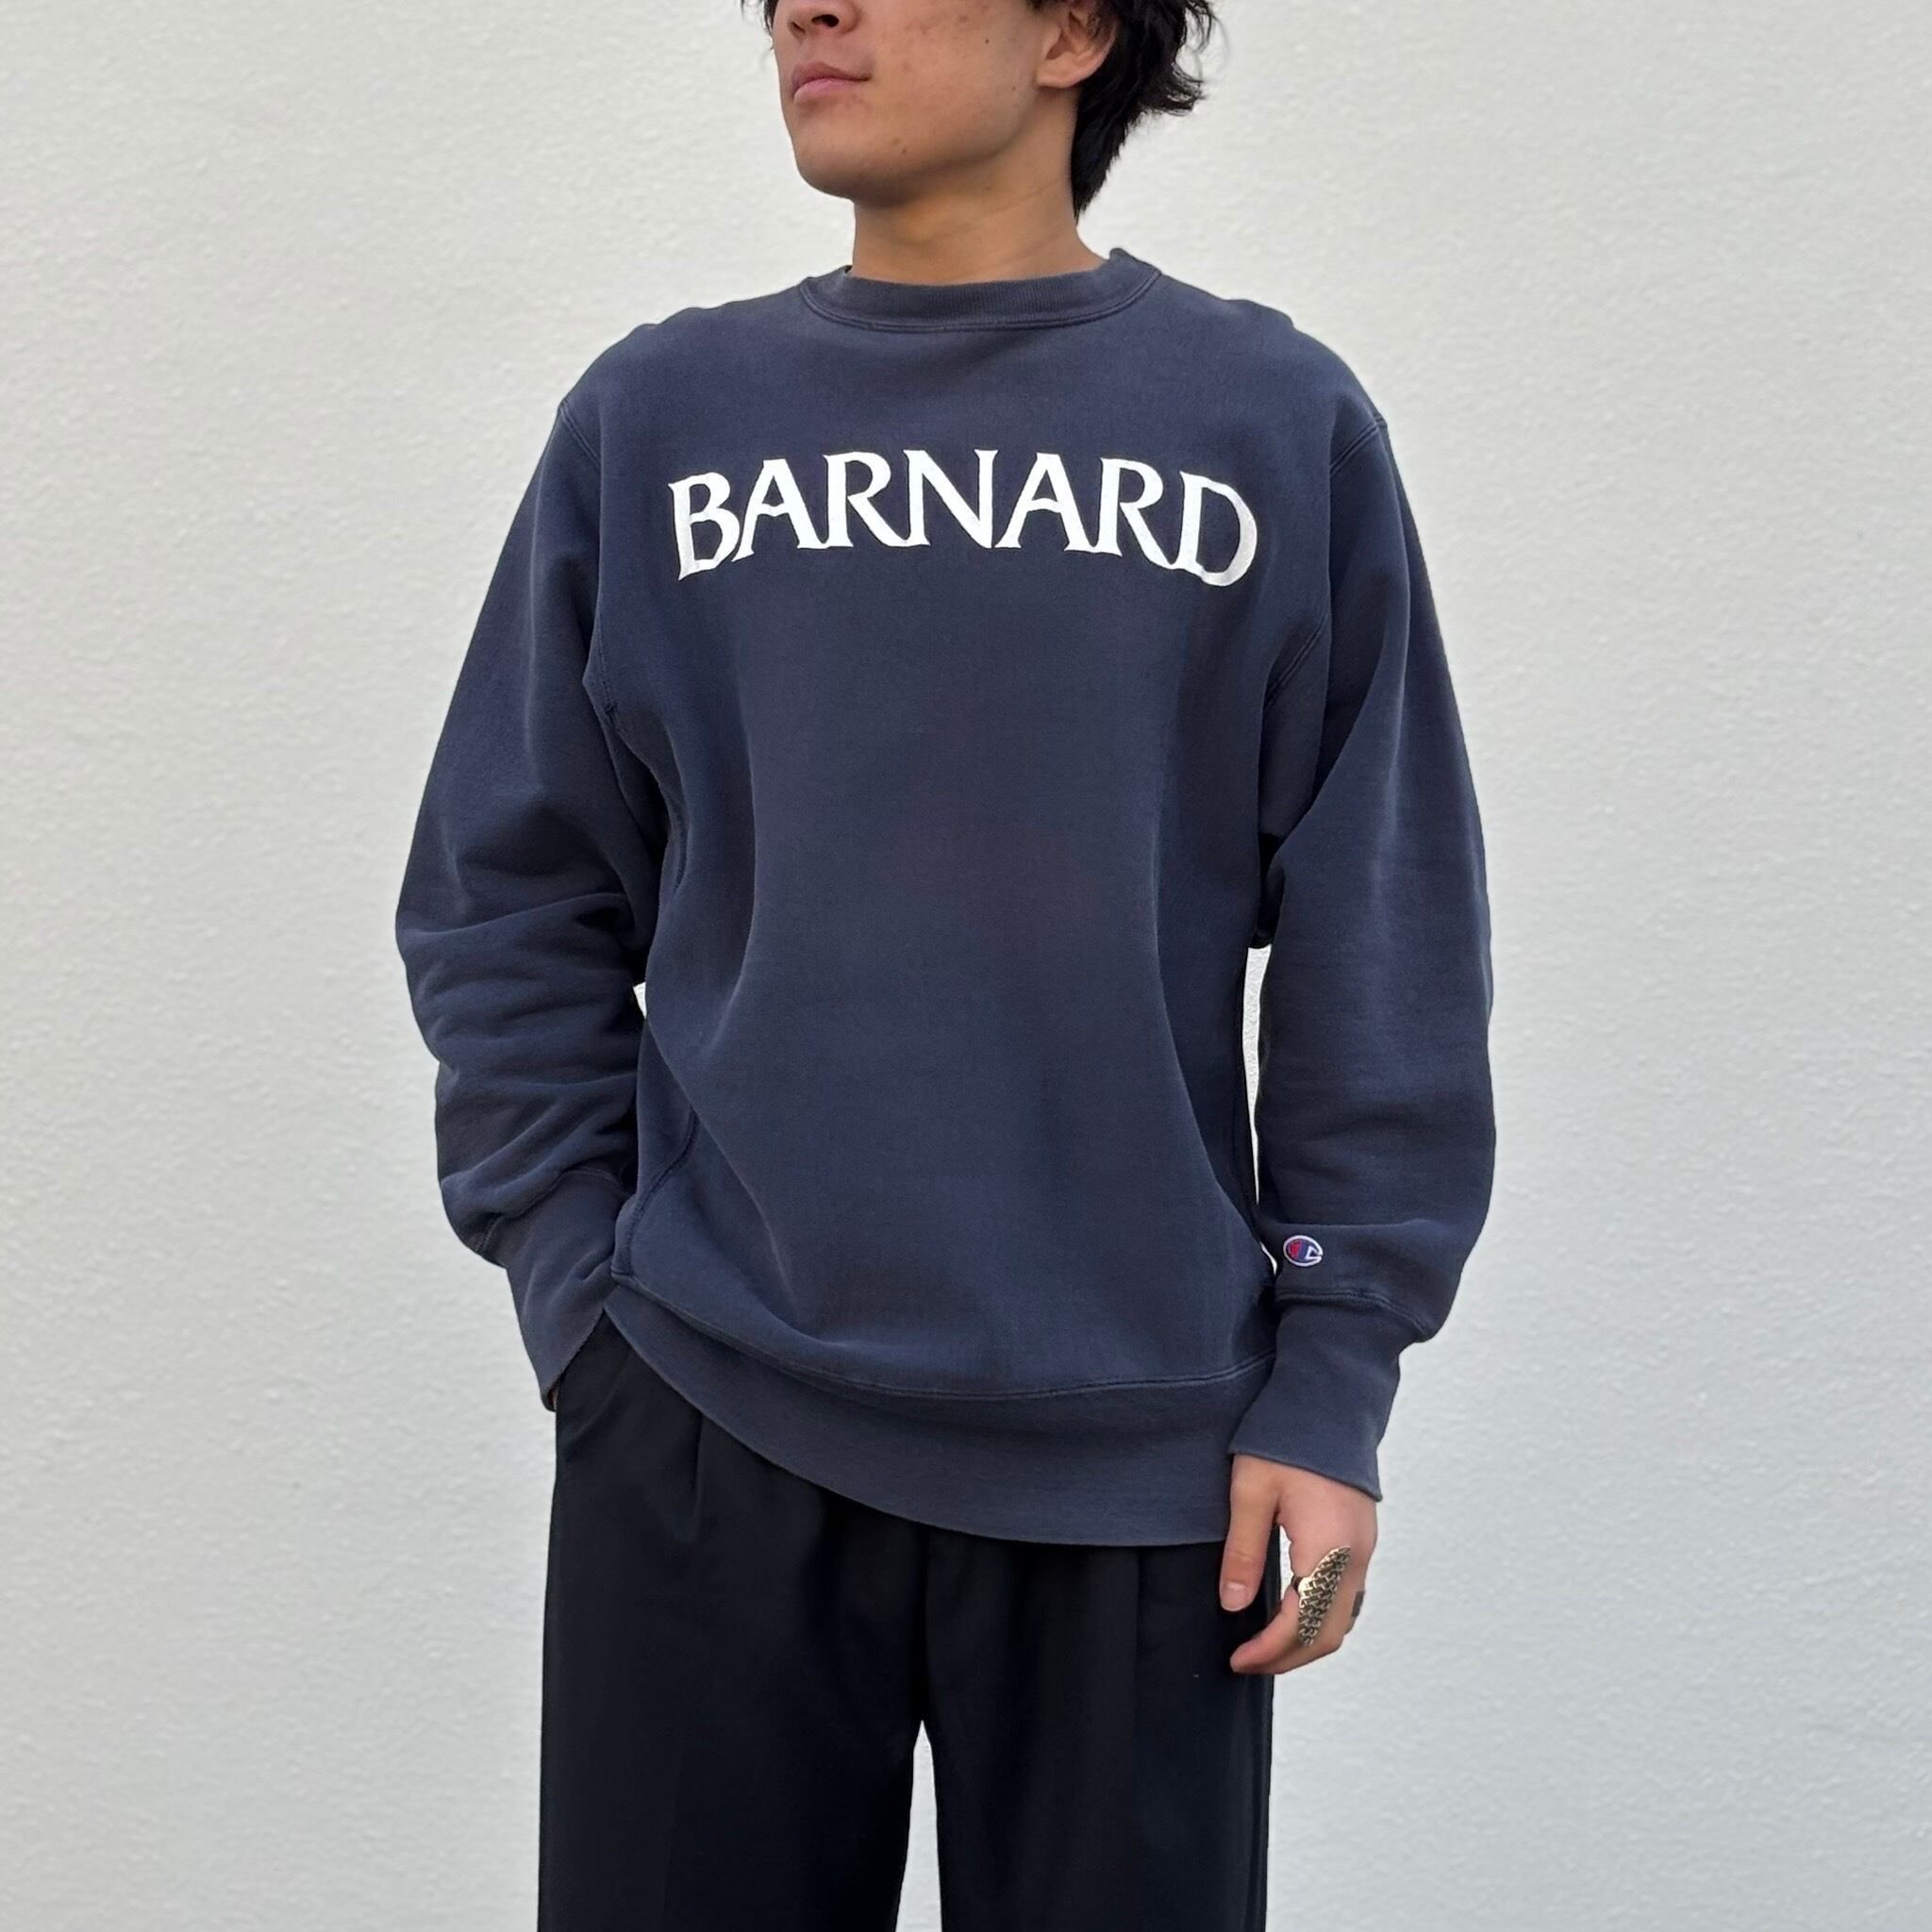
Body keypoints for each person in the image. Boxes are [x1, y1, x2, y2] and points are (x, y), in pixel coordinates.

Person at [392, 2, 1495, 1926]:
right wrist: (584, 1302)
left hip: (1148, 1466)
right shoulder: (657, 423)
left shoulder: (1267, 425)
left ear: (1074, 29)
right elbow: (509, 890)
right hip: (706, 1413)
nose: (802, 8)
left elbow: (1377, 934)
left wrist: (1334, 1381)